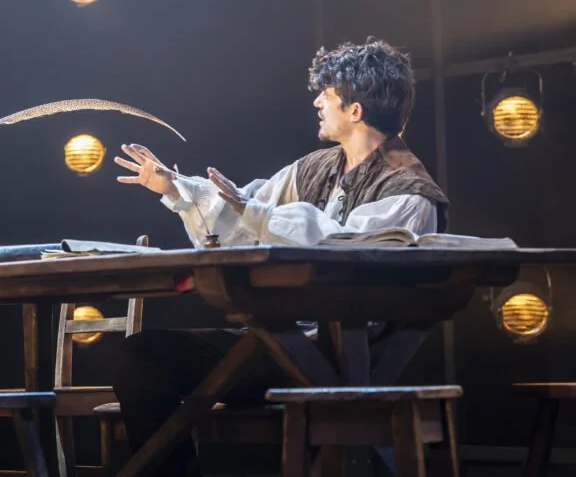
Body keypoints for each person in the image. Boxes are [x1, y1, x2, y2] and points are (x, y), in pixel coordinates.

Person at [111, 39, 449, 476]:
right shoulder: (316, 168)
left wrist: (257, 213)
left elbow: (341, 248)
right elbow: (244, 210)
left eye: (325, 93)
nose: (316, 101)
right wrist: (175, 188)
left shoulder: (407, 191)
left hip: (341, 359)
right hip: (280, 343)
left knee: (153, 357)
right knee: (141, 356)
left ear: (355, 111)